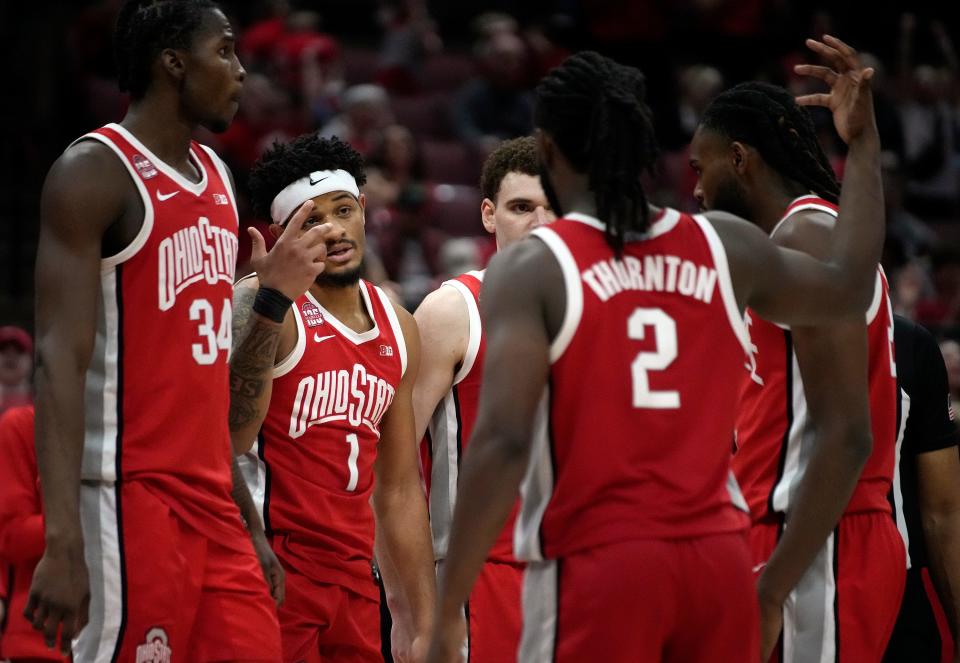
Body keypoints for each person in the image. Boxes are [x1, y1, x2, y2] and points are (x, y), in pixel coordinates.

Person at [427, 37, 885, 663]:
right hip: (718, 560)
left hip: (601, 560)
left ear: (551, 150)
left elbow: (503, 440)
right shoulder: (725, 244)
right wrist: (861, 146)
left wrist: (449, 607)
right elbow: (848, 285)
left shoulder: (534, 268)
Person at [25, 1, 317, 660]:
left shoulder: (217, 177)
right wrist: (63, 537)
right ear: (173, 62)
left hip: (213, 500)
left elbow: (204, 378)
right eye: (225, 52)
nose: (241, 71)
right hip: (127, 495)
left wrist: (248, 518)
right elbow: (56, 361)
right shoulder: (94, 171)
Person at [690, 80, 904, 661]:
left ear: (738, 158)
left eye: (700, 167)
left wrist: (771, 587)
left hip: (821, 536)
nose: (697, 187)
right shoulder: (800, 242)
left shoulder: (806, 234)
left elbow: (847, 433)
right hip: (798, 532)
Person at [231, 133, 436, 663]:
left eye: (343, 210)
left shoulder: (399, 324)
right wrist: (272, 299)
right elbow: (227, 437)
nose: (335, 231)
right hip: (269, 565)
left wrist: (423, 619)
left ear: (364, 210)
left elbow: (398, 489)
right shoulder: (257, 304)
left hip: (352, 576)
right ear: (279, 235)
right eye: (310, 219)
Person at [413, 136, 553, 662]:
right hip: (479, 577)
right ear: (489, 215)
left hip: (576, 572)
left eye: (552, 208)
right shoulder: (452, 312)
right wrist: (414, 604)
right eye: (521, 208)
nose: (540, 225)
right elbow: (394, 467)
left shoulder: (598, 311)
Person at [884, 315, 960, 663]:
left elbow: (944, 510)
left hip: (898, 585)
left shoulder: (911, 343)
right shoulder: (744, 337)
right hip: (781, 574)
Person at [0, 405, 69, 662]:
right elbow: (11, 535)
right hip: (37, 640)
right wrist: (91, 518)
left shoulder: (133, 440)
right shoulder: (23, 426)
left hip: (117, 629)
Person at [0, 326, 32, 414]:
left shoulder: (45, 405)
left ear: (30, 360)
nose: (10, 355)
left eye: (19, 351)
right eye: (3, 350)